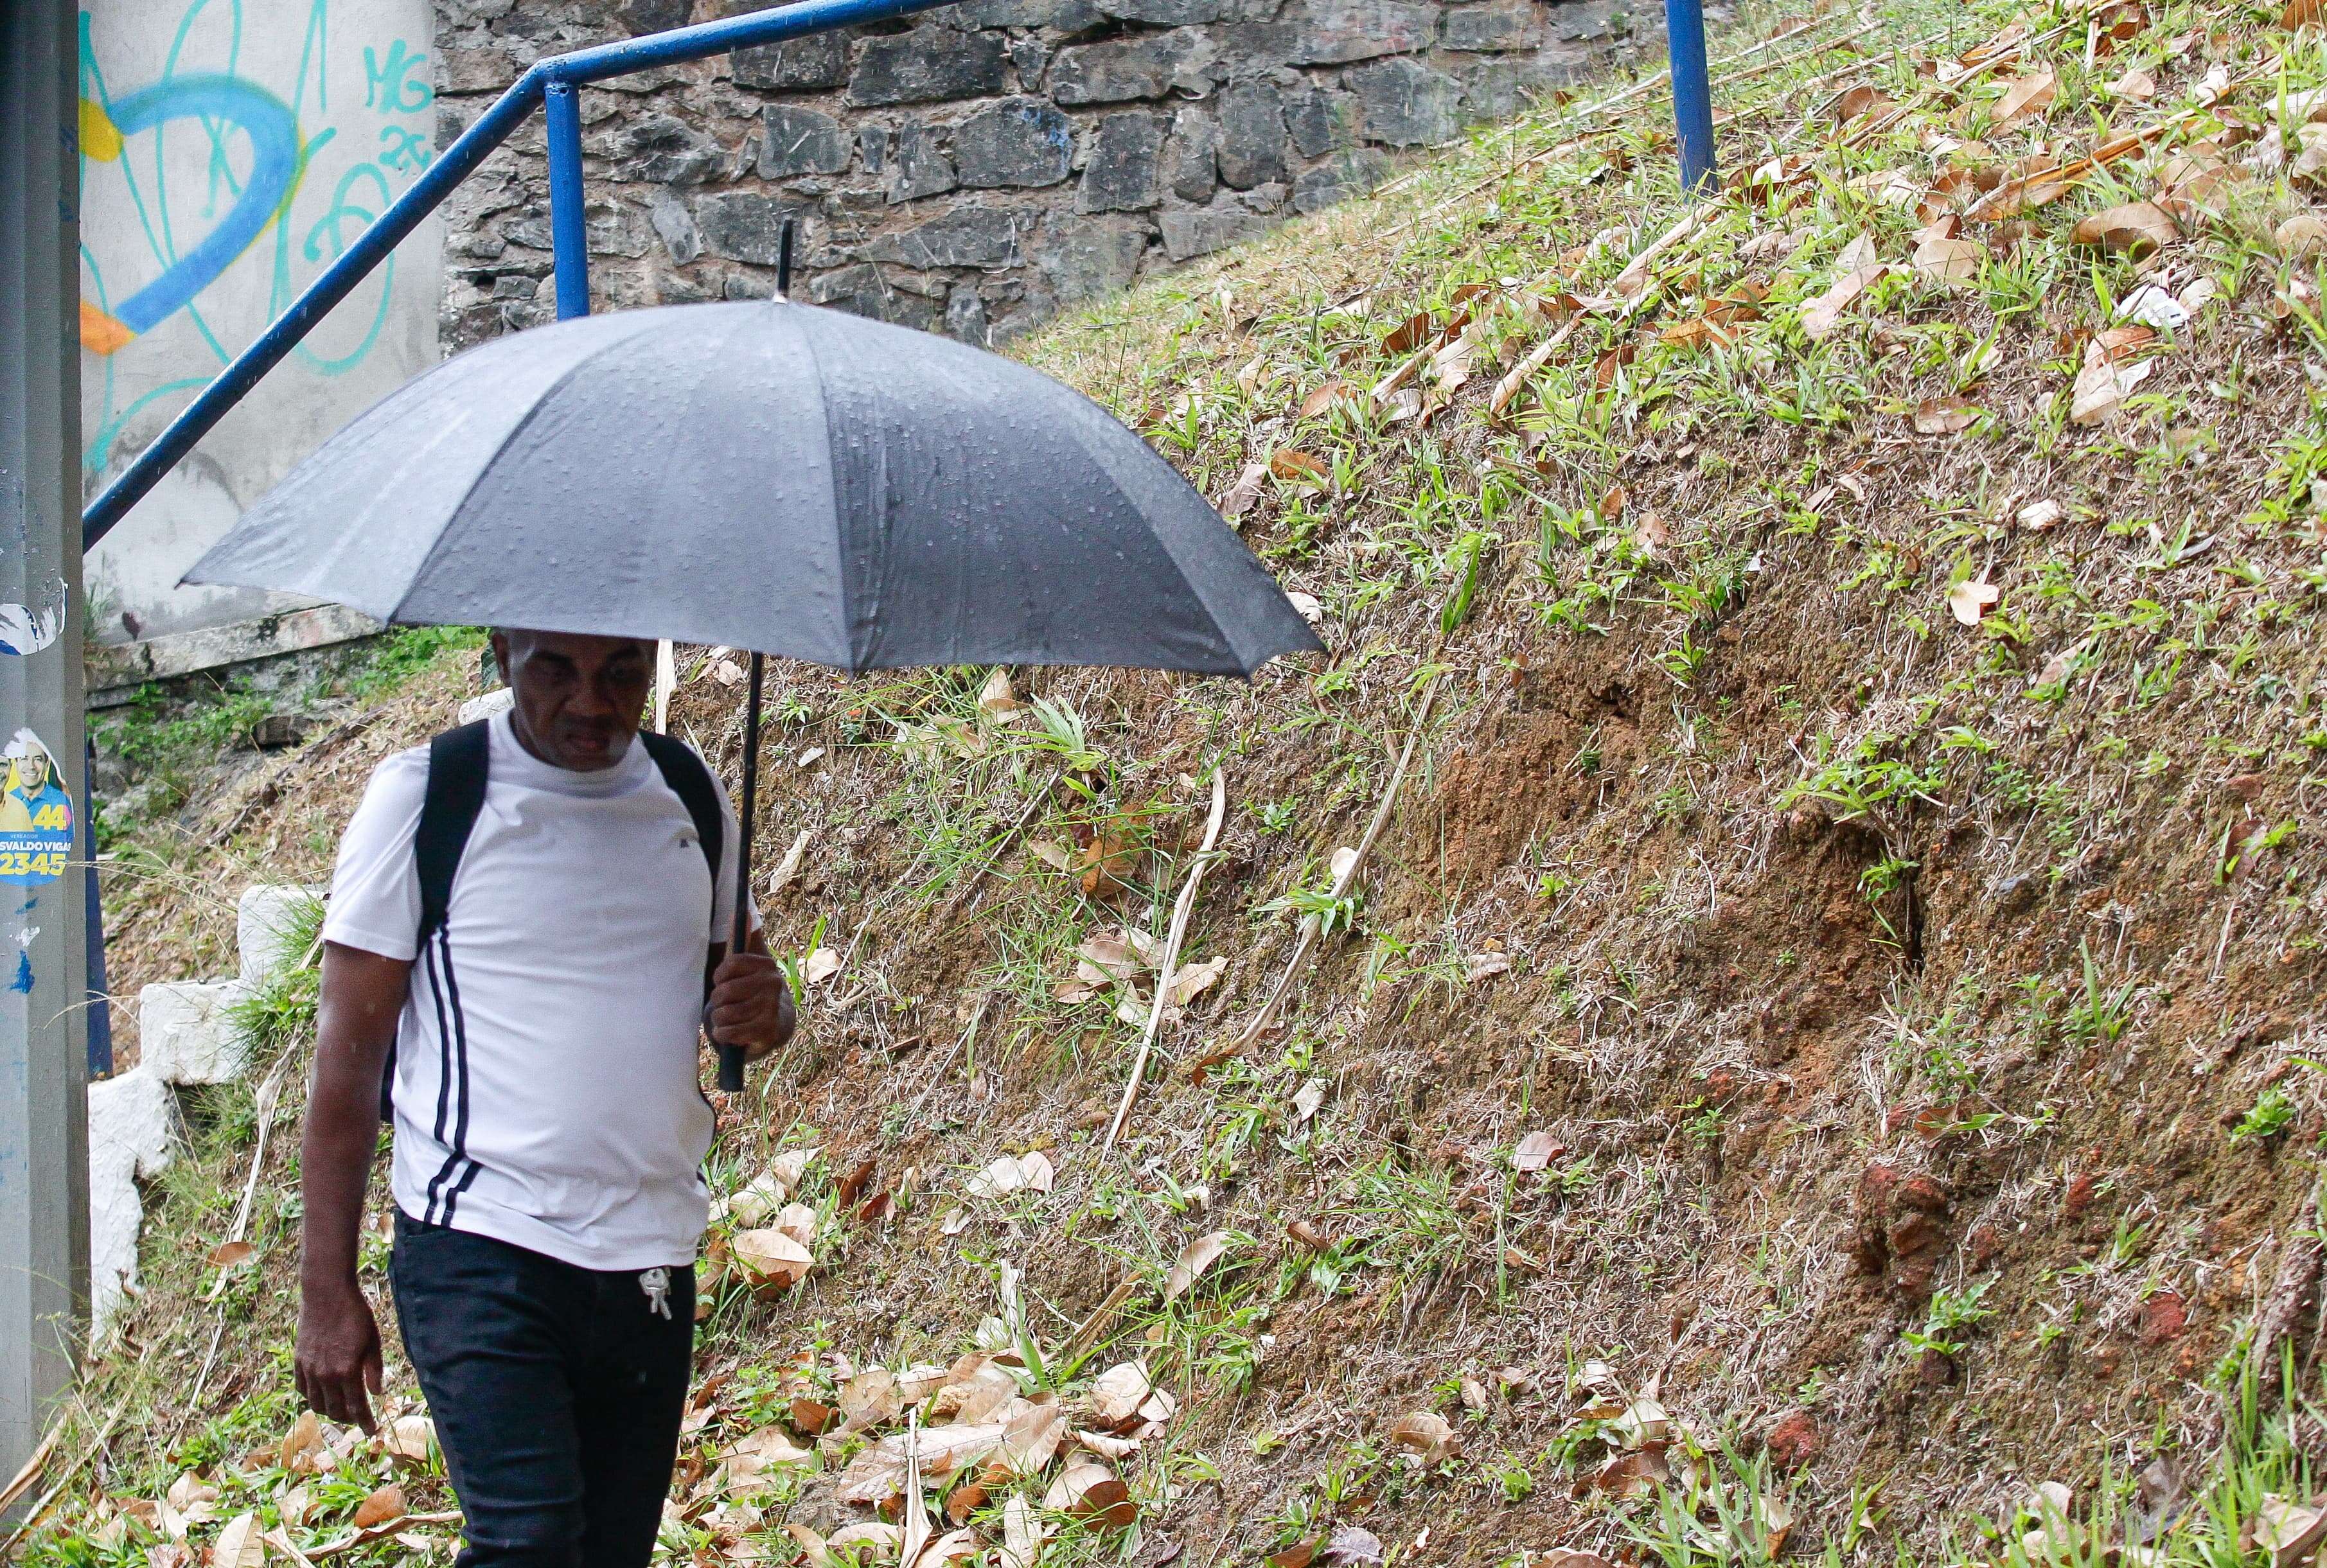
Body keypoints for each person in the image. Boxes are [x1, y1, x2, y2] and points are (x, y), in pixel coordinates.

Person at [295, 629, 794, 1568]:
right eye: (554, 670)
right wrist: (328, 1285)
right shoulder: (431, 796)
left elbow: (745, 994)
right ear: (499, 655)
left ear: (652, 664)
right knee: (527, 1544)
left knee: (607, 1552)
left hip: (649, 1250)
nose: (591, 703)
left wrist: (768, 1013)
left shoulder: (687, 794)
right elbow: (347, 1064)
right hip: (480, 1239)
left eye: (620, 674)